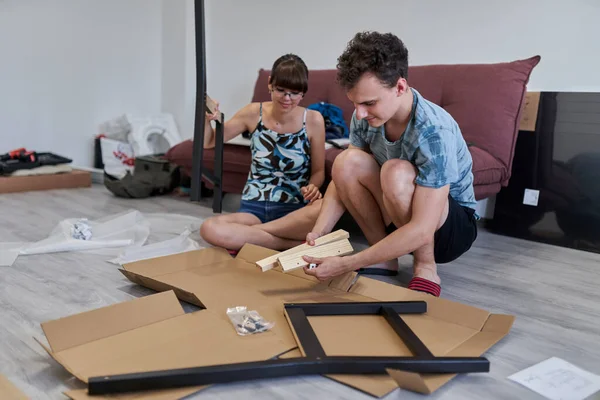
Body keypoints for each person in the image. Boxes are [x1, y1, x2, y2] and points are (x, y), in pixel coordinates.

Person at [301, 32, 479, 297]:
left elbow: (422, 227)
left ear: (399, 87)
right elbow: (342, 180)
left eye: (369, 103)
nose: (360, 113)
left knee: (396, 171)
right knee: (346, 161)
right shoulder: (364, 115)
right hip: (399, 212)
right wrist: (319, 234)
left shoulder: (433, 130)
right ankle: (384, 257)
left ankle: (425, 266)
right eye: (355, 103)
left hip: (449, 228)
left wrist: (348, 263)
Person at [200, 54, 326, 252]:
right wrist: (206, 119)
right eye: (281, 90)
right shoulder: (252, 113)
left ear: (303, 92)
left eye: (294, 93)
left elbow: (318, 171)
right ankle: (289, 245)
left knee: (325, 209)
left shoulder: (313, 120)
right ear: (270, 84)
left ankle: (253, 237)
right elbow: (208, 142)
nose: (287, 99)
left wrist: (313, 186)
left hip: (294, 211)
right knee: (209, 228)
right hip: (254, 208)